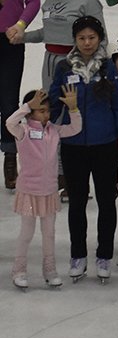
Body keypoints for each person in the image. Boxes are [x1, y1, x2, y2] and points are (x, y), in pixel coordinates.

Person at [50, 16, 118, 283]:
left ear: (99, 39)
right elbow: (53, 102)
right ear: (74, 39)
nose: (86, 43)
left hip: (105, 145)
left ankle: (104, 254)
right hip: (73, 146)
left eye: (92, 38)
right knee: (77, 203)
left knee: (107, 202)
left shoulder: (109, 68)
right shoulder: (63, 68)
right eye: (82, 38)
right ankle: (78, 255)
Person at [9, 87, 80, 288]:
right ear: (31, 112)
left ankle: (50, 270)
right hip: (29, 192)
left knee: (49, 233)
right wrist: (26, 107)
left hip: (49, 192)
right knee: (27, 233)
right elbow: (9, 122)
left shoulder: (53, 131)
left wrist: (73, 109)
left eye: (47, 110)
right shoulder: (23, 131)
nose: (45, 114)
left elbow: (75, 129)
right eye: (40, 110)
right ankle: (19, 270)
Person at [23, 0, 105, 86]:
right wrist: (22, 37)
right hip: (50, 62)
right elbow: (48, 32)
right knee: (51, 102)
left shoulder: (88, 1)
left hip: (75, 63)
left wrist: (91, 69)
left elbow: (102, 39)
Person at [1, 0, 41, 191]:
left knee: (7, 99)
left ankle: (10, 156)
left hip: (10, 41)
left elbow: (34, 0)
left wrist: (21, 25)